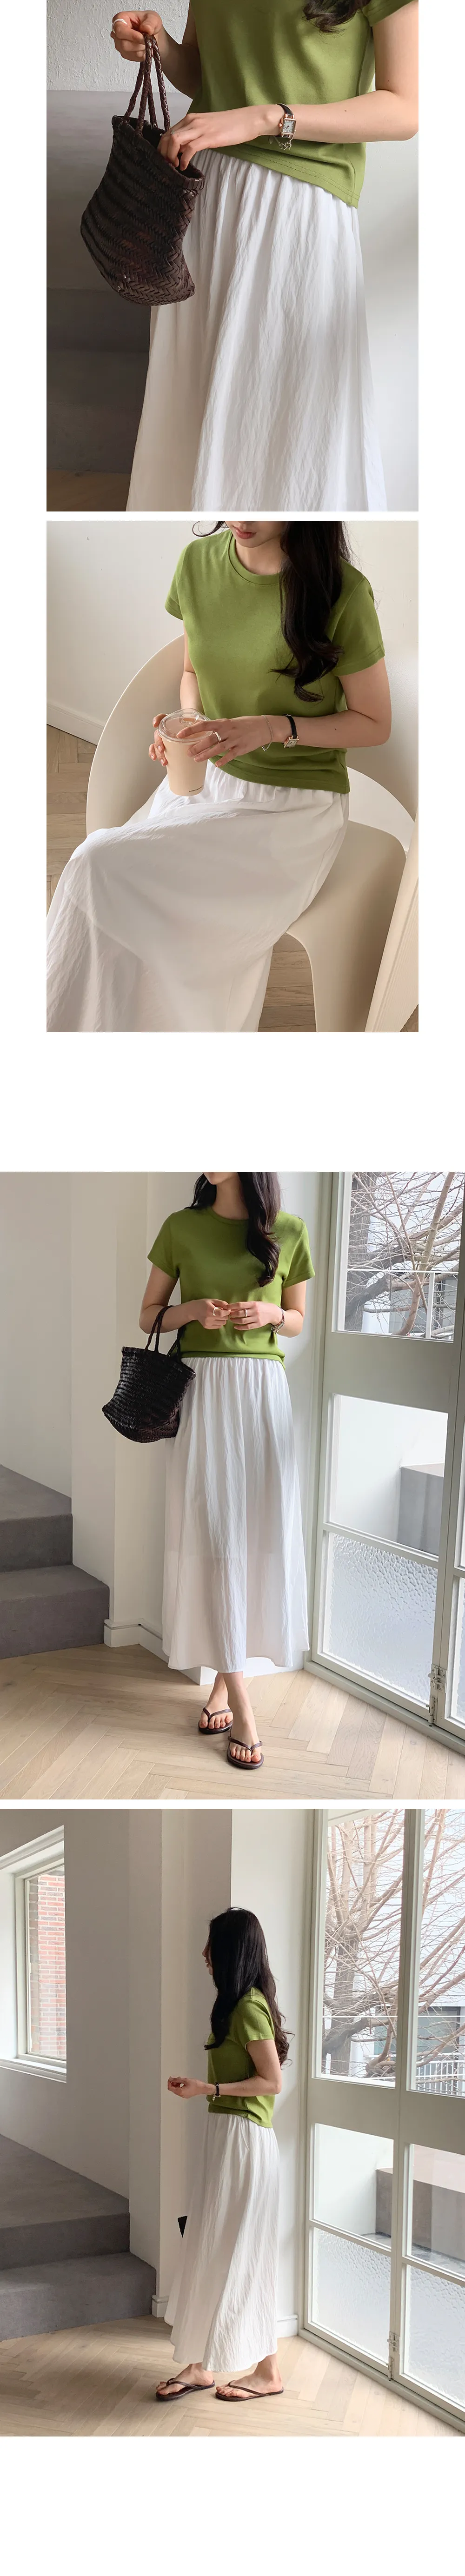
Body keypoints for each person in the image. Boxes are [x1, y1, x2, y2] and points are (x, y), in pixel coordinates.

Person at [46, 518, 391, 1034]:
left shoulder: (342, 593)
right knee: (110, 892)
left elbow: (375, 723)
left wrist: (273, 727)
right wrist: (189, 723)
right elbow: (192, 672)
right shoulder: (198, 564)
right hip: (208, 780)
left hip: (294, 810)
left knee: (98, 865)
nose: (241, 519)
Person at [110, 3, 418, 511]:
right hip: (201, 193)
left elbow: (404, 109)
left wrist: (268, 117)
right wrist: (159, 46)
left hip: (298, 202)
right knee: (193, 402)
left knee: (290, 413)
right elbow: (207, 73)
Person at [141, 1170, 313, 1770]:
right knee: (215, 1539)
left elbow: (298, 1319)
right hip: (204, 1390)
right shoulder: (180, 1226)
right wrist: (191, 1311)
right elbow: (147, 1316)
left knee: (257, 1537)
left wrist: (269, 1313)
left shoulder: (288, 1229)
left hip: (263, 1393)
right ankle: (243, 1705)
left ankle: (222, 1682)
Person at [157, 1907, 288, 2402]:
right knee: (212, 2243)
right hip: (227, 2136)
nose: (204, 1954)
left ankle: (268, 2372)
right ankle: (199, 2365)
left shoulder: (249, 2007)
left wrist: (207, 2087)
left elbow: (272, 2082)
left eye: (212, 1945)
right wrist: (204, 2089)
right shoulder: (233, 2005)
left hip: (245, 2141)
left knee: (242, 2249)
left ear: (231, 1950)